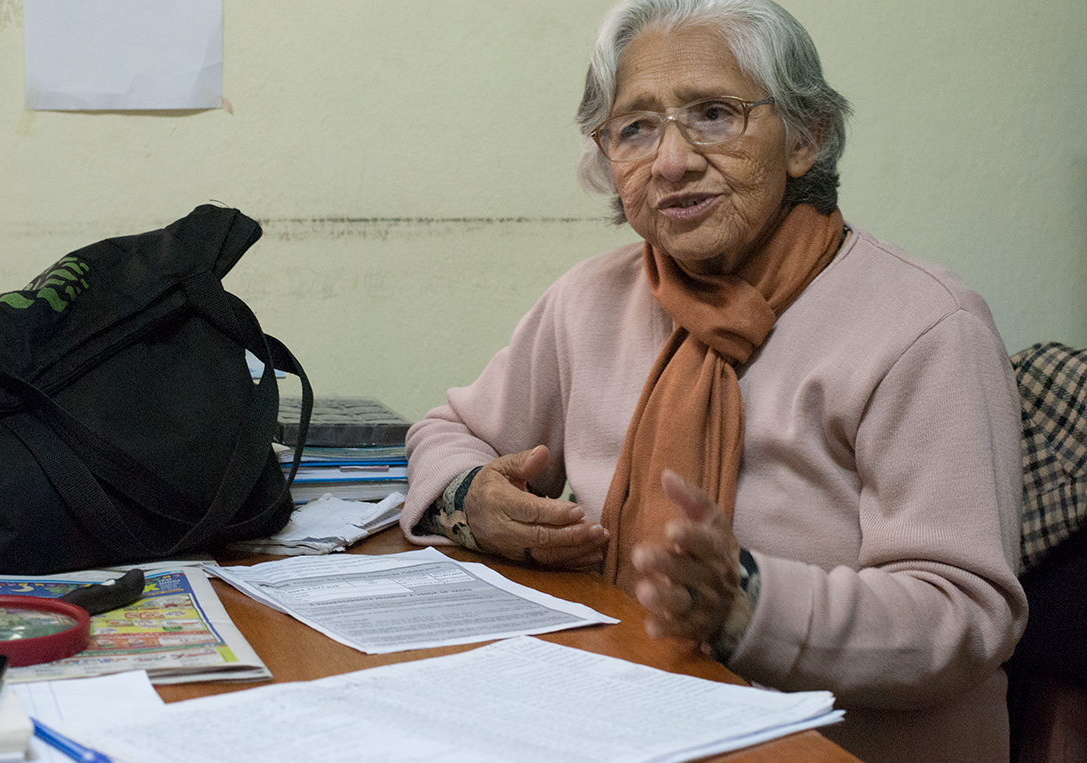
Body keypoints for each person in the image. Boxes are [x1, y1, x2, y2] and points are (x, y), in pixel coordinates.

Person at [402, 1, 1027, 760]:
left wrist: (746, 603)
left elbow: (963, 613)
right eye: (636, 128)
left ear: (807, 136)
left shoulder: (928, 326)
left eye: (712, 115)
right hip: (613, 712)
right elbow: (447, 431)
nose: (670, 161)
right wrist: (474, 501)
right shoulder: (590, 300)